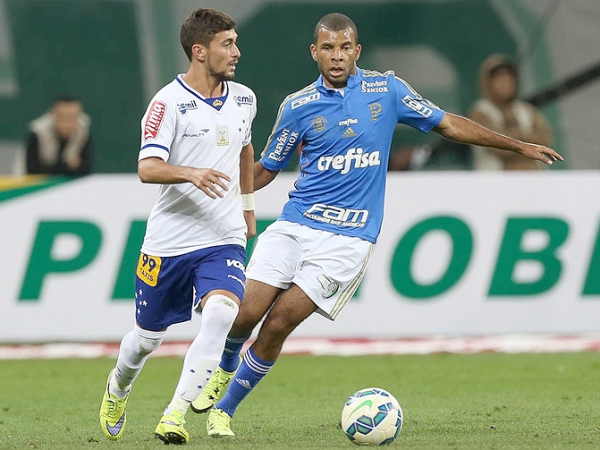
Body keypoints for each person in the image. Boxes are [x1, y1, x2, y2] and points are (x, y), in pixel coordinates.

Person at [189, 13, 563, 437]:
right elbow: (265, 170)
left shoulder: (386, 90)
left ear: (357, 51)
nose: (336, 56)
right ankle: (223, 367)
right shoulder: (297, 107)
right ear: (314, 52)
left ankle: (225, 410)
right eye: (327, 48)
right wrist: (208, 191)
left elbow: (449, 124)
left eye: (345, 47)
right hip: (295, 226)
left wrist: (517, 146)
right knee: (245, 314)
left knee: (278, 324)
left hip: (348, 239)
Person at [98, 8, 257, 445]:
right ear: (200, 51)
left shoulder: (245, 98)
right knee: (146, 340)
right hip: (169, 240)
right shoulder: (168, 102)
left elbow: (245, 150)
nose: (237, 51)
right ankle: (118, 387)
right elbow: (147, 167)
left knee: (223, 313)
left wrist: (246, 208)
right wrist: (192, 173)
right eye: (228, 43)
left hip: (221, 238)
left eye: (235, 41)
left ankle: (175, 414)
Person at [468, 54, 553, 170]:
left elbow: (545, 139)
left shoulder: (526, 110)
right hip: (496, 182)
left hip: (531, 180)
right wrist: (526, 142)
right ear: (488, 83)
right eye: (499, 80)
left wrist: (512, 138)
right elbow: (495, 145)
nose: (505, 84)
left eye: (508, 79)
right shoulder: (480, 111)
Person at [25, 94, 93, 175]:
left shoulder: (83, 132)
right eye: (62, 116)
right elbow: (32, 170)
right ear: (53, 115)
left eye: (72, 117)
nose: (67, 122)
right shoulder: (38, 133)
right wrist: (68, 166)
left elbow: (87, 169)